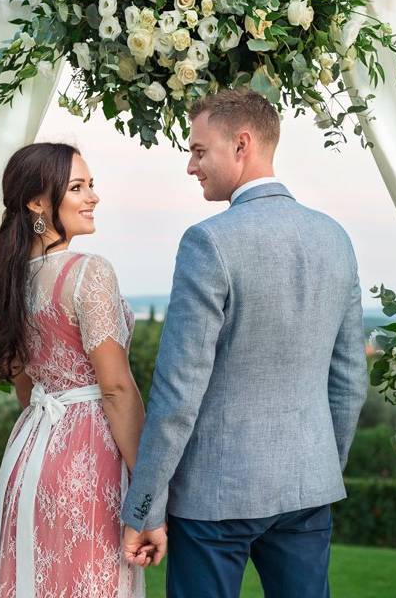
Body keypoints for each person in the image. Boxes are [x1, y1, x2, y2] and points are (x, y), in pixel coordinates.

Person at [121, 89, 369, 598]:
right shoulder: (334, 237)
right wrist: (320, 463)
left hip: (214, 496)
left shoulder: (208, 241)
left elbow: (177, 392)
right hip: (307, 486)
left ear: (242, 144)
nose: (191, 166)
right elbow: (349, 380)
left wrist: (144, 504)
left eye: (197, 150)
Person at [0, 142, 147, 598]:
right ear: (37, 202)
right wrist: (150, 484)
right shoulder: (89, 272)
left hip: (29, 449)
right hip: (88, 456)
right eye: (77, 187)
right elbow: (115, 388)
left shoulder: (8, 281)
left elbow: (24, 385)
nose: (93, 197)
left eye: (91, 185)